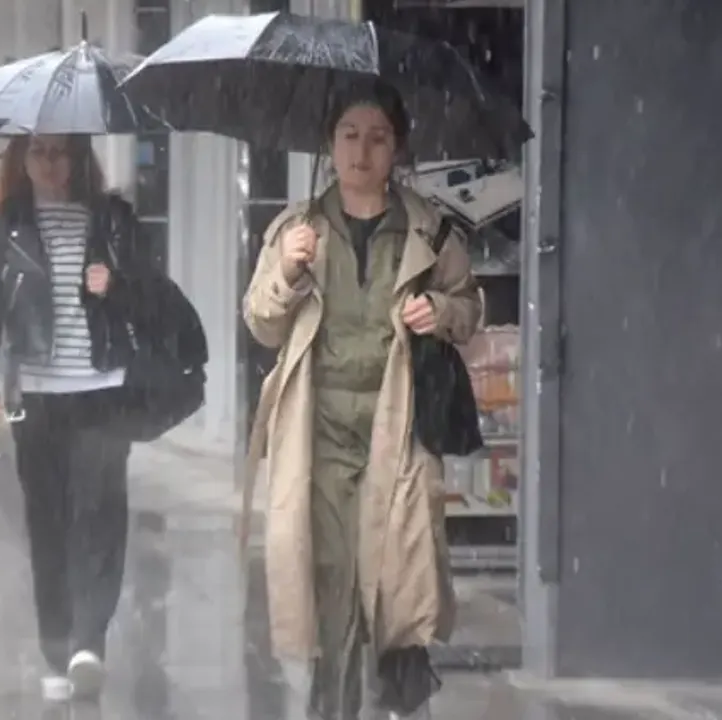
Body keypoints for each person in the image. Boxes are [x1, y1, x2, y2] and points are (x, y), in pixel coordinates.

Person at [242, 82, 481, 720]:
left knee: (399, 582)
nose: (362, 150)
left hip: (398, 429)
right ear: (330, 143)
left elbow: (470, 306)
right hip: (318, 436)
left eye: (377, 137)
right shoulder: (296, 229)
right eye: (349, 135)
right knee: (333, 585)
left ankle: (404, 703)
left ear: (396, 146)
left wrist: (441, 311)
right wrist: (288, 271)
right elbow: (261, 321)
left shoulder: (428, 230)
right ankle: (335, 709)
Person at [0, 134, 155, 703]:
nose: (49, 163)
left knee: (100, 519)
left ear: (79, 156)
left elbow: (154, 300)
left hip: (103, 391)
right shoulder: (7, 227)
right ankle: (56, 645)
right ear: (21, 158)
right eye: (38, 152)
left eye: (60, 151)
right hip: (38, 397)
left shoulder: (112, 220)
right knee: (48, 525)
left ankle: (88, 643)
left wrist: (117, 286)